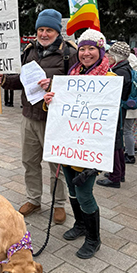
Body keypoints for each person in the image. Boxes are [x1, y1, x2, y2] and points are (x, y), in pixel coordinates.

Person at [0, 9, 77, 224]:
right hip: (29, 116)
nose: (44, 34)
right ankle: (33, 199)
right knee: (29, 161)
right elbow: (22, 80)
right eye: (41, 29)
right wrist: (4, 80)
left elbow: (78, 86)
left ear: (57, 32)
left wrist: (54, 84)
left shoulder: (69, 53)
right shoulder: (29, 50)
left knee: (56, 165)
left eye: (49, 30)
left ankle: (59, 203)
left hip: (55, 120)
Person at [43, 29, 114, 259]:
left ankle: (94, 239)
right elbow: (60, 111)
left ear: (101, 51)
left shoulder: (110, 79)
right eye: (82, 49)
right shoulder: (71, 76)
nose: (86, 53)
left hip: (91, 148)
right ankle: (81, 225)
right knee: (72, 190)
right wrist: (49, 101)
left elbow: (114, 118)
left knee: (84, 193)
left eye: (92, 48)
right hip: (69, 145)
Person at [97, 41, 132, 188]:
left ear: (117, 56)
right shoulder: (125, 68)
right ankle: (119, 173)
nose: (108, 57)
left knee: (114, 144)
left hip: (115, 111)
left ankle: (115, 177)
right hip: (119, 110)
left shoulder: (120, 71)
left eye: (110, 55)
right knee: (118, 143)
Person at [123, 51, 137, 164]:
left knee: (127, 131)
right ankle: (129, 151)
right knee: (129, 130)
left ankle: (130, 154)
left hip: (129, 106)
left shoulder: (130, 73)